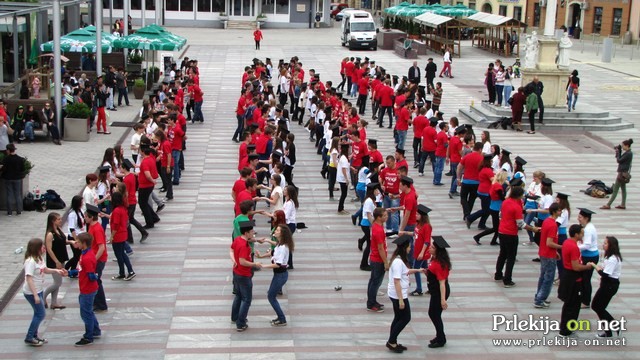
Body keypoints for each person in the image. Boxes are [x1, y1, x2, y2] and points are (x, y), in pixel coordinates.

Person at [22, 238, 66, 346]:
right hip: (31, 292)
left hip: (39, 289)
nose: (44, 248)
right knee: (41, 314)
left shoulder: (40, 258)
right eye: (42, 246)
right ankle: (29, 337)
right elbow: (29, 279)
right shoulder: (30, 261)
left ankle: (34, 336)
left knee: (38, 313)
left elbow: (44, 269)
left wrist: (56, 270)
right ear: (36, 248)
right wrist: (36, 295)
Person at [386, 235, 425, 353]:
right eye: (409, 247)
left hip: (397, 294)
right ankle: (391, 341)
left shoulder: (399, 260)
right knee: (405, 318)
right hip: (399, 295)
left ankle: (393, 341)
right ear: (404, 248)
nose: (410, 249)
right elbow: (397, 281)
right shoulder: (398, 261)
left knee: (398, 317)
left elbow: (405, 272)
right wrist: (401, 300)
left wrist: (418, 270)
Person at [495, 182, 538, 288]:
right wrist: (533, 229)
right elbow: (521, 223)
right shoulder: (516, 207)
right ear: (519, 195)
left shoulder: (506, 202)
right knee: (511, 257)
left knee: (502, 254)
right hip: (511, 233)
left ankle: (498, 274)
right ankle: (507, 279)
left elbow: (500, 214)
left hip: (502, 231)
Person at [558, 224, 596, 337]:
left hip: (567, 276)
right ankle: (565, 329)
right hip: (573, 278)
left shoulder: (567, 242)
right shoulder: (573, 247)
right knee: (572, 305)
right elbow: (576, 266)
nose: (583, 235)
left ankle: (569, 326)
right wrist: (587, 267)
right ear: (576, 234)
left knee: (570, 304)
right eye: (581, 233)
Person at [230, 220, 262, 332]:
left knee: (238, 296)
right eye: (252, 231)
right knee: (246, 299)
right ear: (246, 233)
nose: (253, 232)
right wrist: (255, 264)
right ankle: (241, 323)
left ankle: (235, 317)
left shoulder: (238, 239)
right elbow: (243, 261)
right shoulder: (244, 245)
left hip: (236, 272)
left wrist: (234, 261)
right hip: (244, 274)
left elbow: (231, 249)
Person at [260, 224, 294, 327]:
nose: (275, 231)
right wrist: (261, 255)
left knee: (271, 296)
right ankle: (280, 317)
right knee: (271, 295)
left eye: (277, 230)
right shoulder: (280, 244)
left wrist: (263, 266)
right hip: (279, 275)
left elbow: (277, 264)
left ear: (282, 234)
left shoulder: (283, 247)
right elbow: (274, 250)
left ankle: (282, 319)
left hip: (281, 275)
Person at [71, 232, 102, 346]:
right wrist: (70, 272)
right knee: (88, 311)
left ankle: (88, 336)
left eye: (78, 241)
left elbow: (90, 275)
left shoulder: (87, 257)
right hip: (86, 288)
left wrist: (95, 276)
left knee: (86, 313)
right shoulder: (85, 254)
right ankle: (95, 330)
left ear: (84, 243)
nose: (76, 243)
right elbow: (81, 270)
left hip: (87, 289)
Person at [590, 236, 623, 338]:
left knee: (597, 306)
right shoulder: (609, 257)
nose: (603, 245)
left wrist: (594, 266)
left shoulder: (613, 259)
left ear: (611, 246)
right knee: (599, 307)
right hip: (607, 284)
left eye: (605, 243)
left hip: (609, 285)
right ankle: (608, 331)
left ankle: (614, 326)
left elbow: (605, 274)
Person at [533, 203, 562, 308]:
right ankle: (540, 300)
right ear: (554, 211)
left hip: (544, 253)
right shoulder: (553, 225)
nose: (561, 212)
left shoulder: (546, 221)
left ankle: (539, 296)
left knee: (543, 276)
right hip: (549, 255)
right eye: (559, 210)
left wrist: (555, 251)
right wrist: (561, 247)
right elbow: (549, 242)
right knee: (548, 278)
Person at [427, 236, 452, 348]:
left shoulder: (440, 264)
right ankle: (440, 336)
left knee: (434, 314)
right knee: (434, 314)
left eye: (432, 247)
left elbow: (442, 283)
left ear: (437, 249)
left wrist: (443, 300)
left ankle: (441, 339)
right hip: (435, 291)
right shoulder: (434, 259)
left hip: (439, 292)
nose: (430, 248)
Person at [43, 212, 71, 310]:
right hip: (55, 261)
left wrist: (70, 242)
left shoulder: (58, 230)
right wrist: (56, 261)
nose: (60, 220)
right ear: (53, 221)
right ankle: (43, 297)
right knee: (57, 282)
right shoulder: (50, 234)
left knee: (57, 281)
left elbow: (62, 241)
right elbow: (49, 249)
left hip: (61, 257)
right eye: (58, 219)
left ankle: (54, 302)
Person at [85, 204, 108, 312]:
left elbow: (101, 247)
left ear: (91, 217)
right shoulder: (92, 226)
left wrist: (94, 260)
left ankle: (101, 304)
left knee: (96, 280)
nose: (84, 218)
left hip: (99, 260)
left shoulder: (97, 229)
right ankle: (97, 302)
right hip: (94, 258)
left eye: (85, 216)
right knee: (95, 280)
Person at [109, 192, 136, 281]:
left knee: (120, 254)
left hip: (118, 235)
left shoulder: (116, 210)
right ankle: (123, 272)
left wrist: (112, 236)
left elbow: (116, 225)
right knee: (121, 254)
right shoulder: (123, 208)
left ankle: (129, 271)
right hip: (123, 233)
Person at [367, 207, 389, 312]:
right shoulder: (378, 230)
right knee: (375, 282)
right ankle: (371, 304)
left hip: (374, 258)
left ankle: (372, 301)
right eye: (384, 215)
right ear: (379, 217)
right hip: (378, 259)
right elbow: (380, 248)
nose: (386, 217)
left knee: (373, 281)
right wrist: (386, 262)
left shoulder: (376, 226)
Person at [601, 139, 633, 210]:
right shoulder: (629, 153)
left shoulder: (628, 153)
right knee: (623, 189)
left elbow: (619, 160)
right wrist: (619, 152)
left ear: (627, 145)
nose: (622, 147)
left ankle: (608, 204)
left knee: (615, 189)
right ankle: (623, 204)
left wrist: (618, 152)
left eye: (623, 146)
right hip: (624, 173)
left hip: (621, 174)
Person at [577, 208, 599, 308]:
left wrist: (575, 247)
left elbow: (587, 245)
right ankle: (583, 298)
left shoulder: (588, 230)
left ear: (586, 218)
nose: (578, 219)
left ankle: (586, 301)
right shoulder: (587, 227)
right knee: (583, 278)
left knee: (586, 279)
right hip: (587, 255)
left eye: (580, 217)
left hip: (590, 257)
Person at [2, 143, 25, 216]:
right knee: (18, 194)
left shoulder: (6, 159)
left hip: (8, 178)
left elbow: (3, 169)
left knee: (9, 194)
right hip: (17, 178)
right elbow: (22, 169)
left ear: (8, 150)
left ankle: (9, 212)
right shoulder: (20, 159)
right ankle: (19, 211)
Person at [337, 143, 350, 214]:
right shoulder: (344, 158)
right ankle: (340, 208)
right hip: (343, 179)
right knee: (344, 194)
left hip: (341, 178)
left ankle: (341, 207)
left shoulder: (342, 157)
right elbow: (344, 169)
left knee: (343, 193)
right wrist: (346, 179)